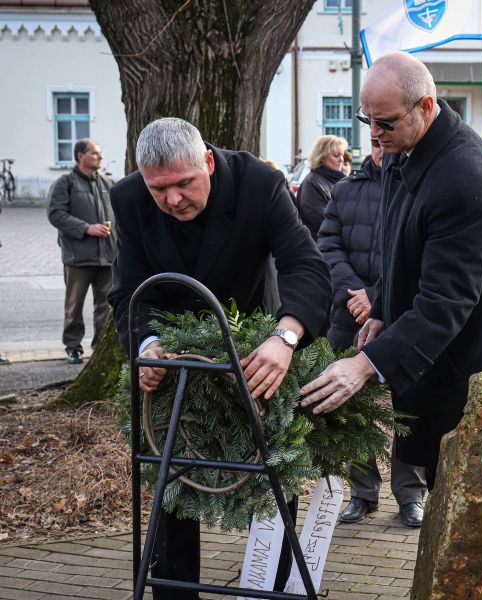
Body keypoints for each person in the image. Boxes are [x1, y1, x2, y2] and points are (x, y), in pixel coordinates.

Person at [108, 117, 332, 600]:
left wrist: (285, 337)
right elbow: (128, 292)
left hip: (256, 351)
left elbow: (306, 266)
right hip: (175, 361)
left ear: (207, 162)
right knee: (172, 486)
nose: (172, 200)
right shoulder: (128, 199)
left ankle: (272, 588)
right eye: (159, 189)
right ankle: (173, 592)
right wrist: (146, 348)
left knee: (272, 477)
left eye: (185, 183)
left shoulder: (260, 183)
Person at [298, 52, 482, 488]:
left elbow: (445, 302)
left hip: (464, 373)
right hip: (430, 364)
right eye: (368, 122)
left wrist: (364, 366)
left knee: (462, 503)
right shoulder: (407, 149)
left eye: (386, 123)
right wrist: (382, 308)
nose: (375, 137)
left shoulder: (465, 179)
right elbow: (399, 245)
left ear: (426, 107)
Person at [317, 137, 427, 528]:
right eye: (376, 142)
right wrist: (355, 294)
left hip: (403, 317)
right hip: (349, 317)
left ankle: (410, 495)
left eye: (388, 140)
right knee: (352, 411)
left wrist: (376, 297)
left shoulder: (419, 187)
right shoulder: (345, 190)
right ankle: (363, 493)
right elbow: (328, 245)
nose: (384, 148)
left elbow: (419, 256)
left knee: (408, 410)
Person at [47, 139, 115, 364]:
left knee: (106, 306)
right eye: (95, 153)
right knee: (74, 305)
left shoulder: (108, 183)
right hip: (78, 258)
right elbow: (55, 214)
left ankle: (100, 348)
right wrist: (86, 228)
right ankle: (73, 347)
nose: (100, 157)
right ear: (80, 156)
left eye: (100, 153)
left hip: (107, 258)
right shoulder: (65, 183)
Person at [296, 134, 347, 240]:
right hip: (321, 246)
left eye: (342, 155)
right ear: (322, 158)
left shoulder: (340, 180)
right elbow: (320, 220)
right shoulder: (312, 183)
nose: (341, 160)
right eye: (336, 155)